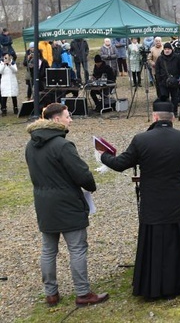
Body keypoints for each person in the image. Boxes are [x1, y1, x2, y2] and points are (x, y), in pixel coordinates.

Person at [100, 101, 180, 300]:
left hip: (152, 201)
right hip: (175, 201)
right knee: (175, 240)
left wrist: (104, 157)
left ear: (154, 118)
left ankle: (152, 285)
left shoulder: (141, 140)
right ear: (173, 119)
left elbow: (120, 164)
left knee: (153, 242)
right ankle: (178, 282)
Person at [25, 102, 108, 307]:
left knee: (48, 249)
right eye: (67, 116)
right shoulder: (62, 145)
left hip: (44, 203)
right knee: (77, 248)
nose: (70, 119)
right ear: (56, 120)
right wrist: (90, 185)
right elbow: (81, 174)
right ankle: (82, 292)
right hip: (67, 202)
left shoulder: (30, 145)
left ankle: (50, 293)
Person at [155, 42, 180, 115]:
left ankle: (174, 112)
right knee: (164, 98)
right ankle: (166, 112)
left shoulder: (176, 58)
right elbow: (157, 70)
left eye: (168, 49)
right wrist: (159, 80)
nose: (167, 51)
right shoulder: (160, 58)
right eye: (165, 49)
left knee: (175, 98)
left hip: (174, 81)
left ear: (171, 49)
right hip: (163, 82)